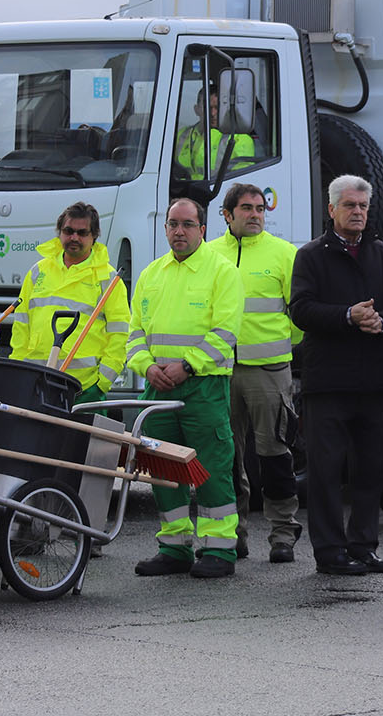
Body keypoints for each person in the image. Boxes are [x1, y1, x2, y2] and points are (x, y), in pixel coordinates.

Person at [290, 174, 383, 576]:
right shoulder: (310, 256)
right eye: (350, 205)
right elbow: (301, 309)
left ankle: (363, 545)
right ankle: (329, 551)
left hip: (375, 381)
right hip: (328, 382)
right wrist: (347, 315)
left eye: (363, 206)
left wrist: (382, 322)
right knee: (325, 473)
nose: (358, 212)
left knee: (371, 469)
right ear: (332, 210)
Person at [128, 198, 245, 579]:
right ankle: (174, 546)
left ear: (202, 229)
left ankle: (219, 550)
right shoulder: (151, 273)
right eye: (173, 224)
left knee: (211, 468)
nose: (179, 231)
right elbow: (134, 334)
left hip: (204, 387)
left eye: (187, 225)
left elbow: (225, 332)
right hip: (158, 388)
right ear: (165, 228)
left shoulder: (222, 271)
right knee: (163, 471)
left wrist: (187, 365)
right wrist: (147, 366)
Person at [205, 182, 304, 563]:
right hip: (220, 372)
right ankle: (232, 533)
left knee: (275, 453)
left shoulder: (284, 254)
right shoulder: (210, 254)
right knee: (226, 457)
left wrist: (277, 350)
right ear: (227, 215)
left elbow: (299, 316)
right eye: (246, 208)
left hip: (269, 371)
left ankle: (283, 533)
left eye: (260, 208)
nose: (255, 214)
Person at [9, 202, 129, 404]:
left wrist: (101, 384)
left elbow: (120, 334)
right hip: (34, 383)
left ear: (94, 237)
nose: (74, 237)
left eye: (82, 233)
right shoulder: (38, 271)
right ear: (60, 233)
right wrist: (18, 371)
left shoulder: (108, 279)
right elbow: (21, 326)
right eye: (68, 231)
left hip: (83, 388)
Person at [176, 87, 253, 179]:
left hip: (216, 191)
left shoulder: (240, 139)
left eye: (218, 108)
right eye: (207, 107)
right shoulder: (181, 135)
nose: (212, 113)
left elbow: (241, 181)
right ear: (196, 109)